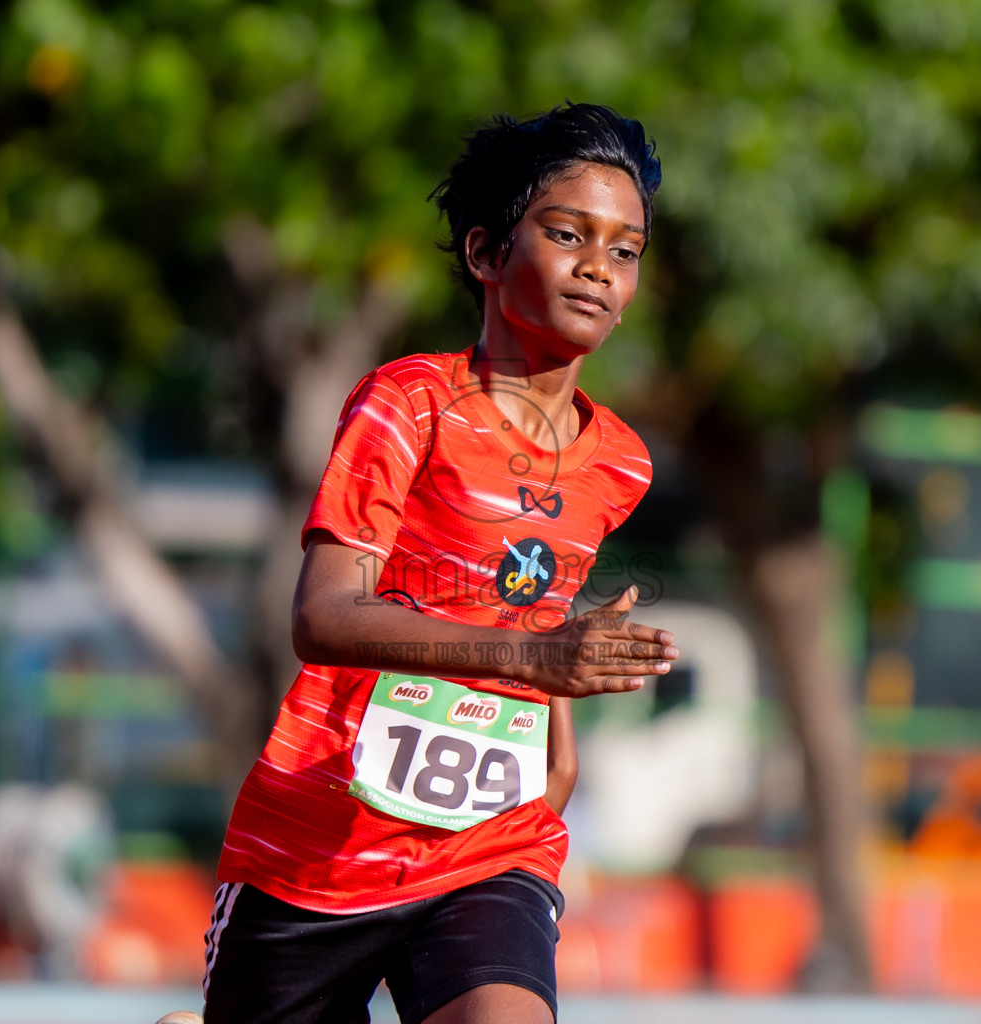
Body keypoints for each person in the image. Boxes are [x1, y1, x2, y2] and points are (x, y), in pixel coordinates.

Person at [201, 103, 679, 1024]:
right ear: (487, 255)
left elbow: (545, 616)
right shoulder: (407, 403)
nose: (599, 269)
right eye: (568, 234)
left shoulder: (621, 461)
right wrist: (535, 665)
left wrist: (557, 752)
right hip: (319, 841)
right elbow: (323, 618)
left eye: (626, 252)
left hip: (489, 845)